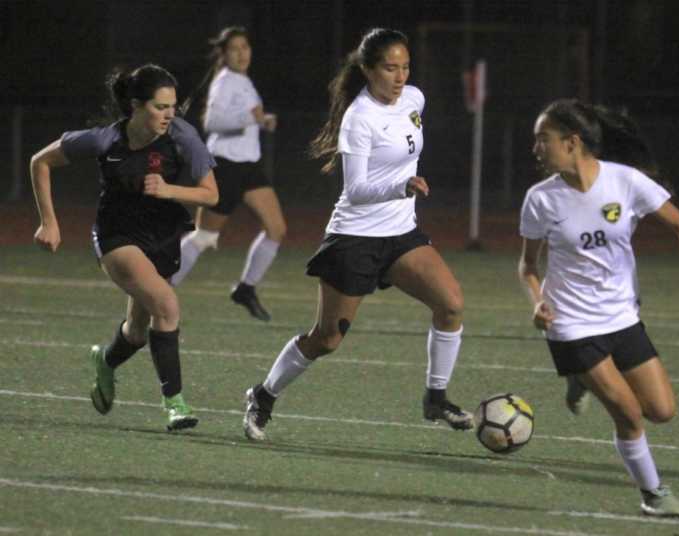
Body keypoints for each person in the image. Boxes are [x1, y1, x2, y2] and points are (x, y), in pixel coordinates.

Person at [240, 28, 473, 441]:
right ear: (367, 70)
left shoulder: (415, 99)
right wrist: (401, 186)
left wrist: (403, 191)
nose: (400, 77)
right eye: (389, 68)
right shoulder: (359, 118)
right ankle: (263, 395)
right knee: (326, 339)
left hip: (401, 234)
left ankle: (435, 397)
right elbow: (356, 190)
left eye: (405, 67)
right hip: (356, 238)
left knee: (451, 304)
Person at [518, 98, 679, 517]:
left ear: (573, 142)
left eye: (544, 139)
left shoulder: (624, 182)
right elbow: (527, 266)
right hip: (571, 324)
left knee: (661, 411)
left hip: (622, 315)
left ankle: (581, 380)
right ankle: (654, 494)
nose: (536, 148)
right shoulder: (541, 199)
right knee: (630, 415)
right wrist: (539, 300)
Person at [30, 64, 219, 431]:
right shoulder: (106, 139)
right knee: (167, 305)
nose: (169, 115)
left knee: (136, 330)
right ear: (136, 105)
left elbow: (211, 194)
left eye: (173, 107)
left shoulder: (183, 137)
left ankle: (106, 360)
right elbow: (41, 161)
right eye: (160, 107)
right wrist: (49, 221)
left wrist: (169, 190)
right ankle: (175, 404)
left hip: (162, 239)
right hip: (117, 237)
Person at [170, 26, 286, 322]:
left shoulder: (243, 81)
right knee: (205, 237)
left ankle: (245, 289)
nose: (242, 53)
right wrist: (251, 117)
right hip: (226, 164)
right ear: (223, 54)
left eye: (245, 47)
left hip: (249, 166)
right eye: (234, 48)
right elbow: (212, 121)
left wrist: (263, 121)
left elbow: (246, 119)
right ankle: (161, 287)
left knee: (277, 228)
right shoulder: (224, 81)